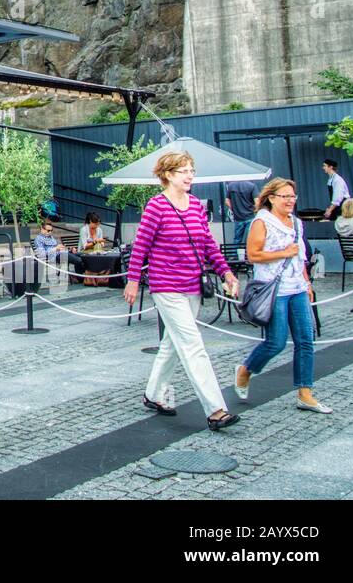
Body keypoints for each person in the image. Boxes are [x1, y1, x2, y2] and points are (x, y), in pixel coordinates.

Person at [123, 151, 240, 430]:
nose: (190, 176)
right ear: (168, 175)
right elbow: (141, 246)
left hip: (193, 284)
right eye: (183, 171)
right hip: (166, 285)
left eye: (191, 170)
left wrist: (225, 271)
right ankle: (215, 409)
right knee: (192, 344)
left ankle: (153, 395)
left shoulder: (197, 206)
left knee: (173, 343)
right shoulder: (156, 206)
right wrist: (133, 279)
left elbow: (208, 244)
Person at [233, 178, 329, 414]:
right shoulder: (261, 221)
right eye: (285, 196)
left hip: (296, 287)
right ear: (272, 198)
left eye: (292, 196)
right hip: (273, 289)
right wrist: (283, 252)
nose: (290, 200)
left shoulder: (296, 223)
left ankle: (305, 393)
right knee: (275, 342)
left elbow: (300, 257)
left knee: (306, 340)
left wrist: (307, 282)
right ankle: (246, 369)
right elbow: (253, 255)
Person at [224, 179, 258, 246]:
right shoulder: (252, 186)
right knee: (250, 238)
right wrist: (254, 211)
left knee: (237, 239)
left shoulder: (231, 186)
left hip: (238, 218)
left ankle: (234, 255)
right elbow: (257, 202)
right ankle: (249, 255)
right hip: (250, 217)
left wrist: (234, 209)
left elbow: (227, 201)